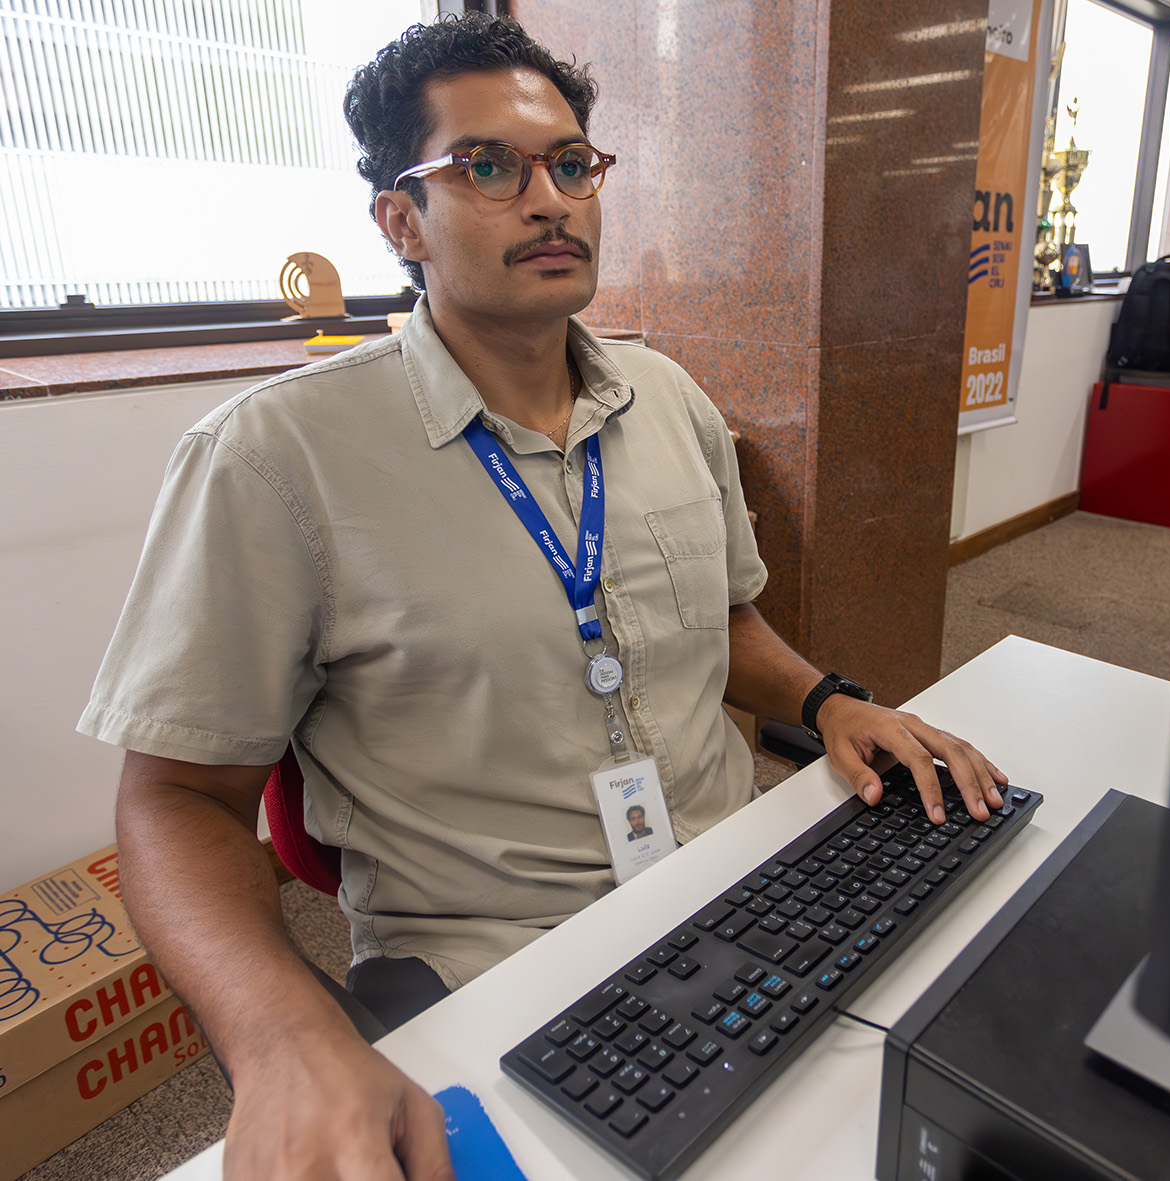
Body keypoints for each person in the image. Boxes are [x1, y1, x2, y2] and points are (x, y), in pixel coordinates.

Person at [78, 13, 1007, 1178]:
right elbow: (174, 799)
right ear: (400, 220)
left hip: (742, 876)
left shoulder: (671, 399)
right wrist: (279, 1038)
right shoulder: (274, 460)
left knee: (964, 1067)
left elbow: (722, 624)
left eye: (572, 163)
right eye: (489, 166)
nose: (550, 198)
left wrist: (828, 702)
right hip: (499, 969)